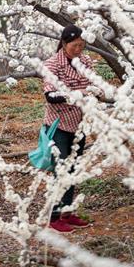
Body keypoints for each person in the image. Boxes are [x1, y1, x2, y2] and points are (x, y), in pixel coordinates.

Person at [42, 24, 95, 233]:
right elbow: (50, 96)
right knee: (61, 170)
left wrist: (96, 92)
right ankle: (53, 217)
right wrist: (79, 92)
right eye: (74, 45)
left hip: (79, 125)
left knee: (74, 169)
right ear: (64, 43)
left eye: (82, 45)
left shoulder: (86, 61)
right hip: (59, 126)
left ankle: (68, 211)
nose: (78, 49)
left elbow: (94, 84)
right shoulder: (53, 64)